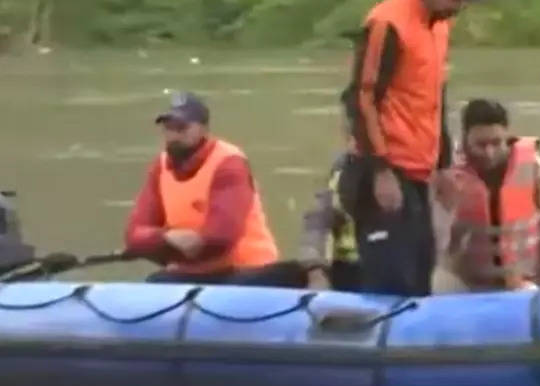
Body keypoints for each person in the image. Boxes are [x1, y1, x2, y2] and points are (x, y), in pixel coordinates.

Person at [337, 0, 481, 297]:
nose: (459, 5)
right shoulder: (387, 24)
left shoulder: (440, 28)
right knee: (391, 281)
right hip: (383, 172)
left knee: (419, 275)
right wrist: (381, 171)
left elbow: (434, 99)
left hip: (418, 174)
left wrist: (444, 164)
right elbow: (361, 98)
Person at [123, 91, 284, 285]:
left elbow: (220, 240)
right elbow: (134, 236)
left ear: (204, 129)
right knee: (156, 282)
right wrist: (167, 237)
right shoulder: (160, 166)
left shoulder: (229, 164)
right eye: (168, 128)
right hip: (195, 272)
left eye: (181, 127)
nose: (173, 135)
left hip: (247, 271)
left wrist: (166, 247)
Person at [431, 99, 540, 293]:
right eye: (481, 144)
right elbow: (437, 243)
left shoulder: (536, 168)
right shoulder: (449, 175)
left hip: (522, 282)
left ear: (507, 137)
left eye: (496, 143)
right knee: (438, 284)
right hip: (467, 282)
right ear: (465, 139)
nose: (489, 153)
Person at [297, 123, 363, 292]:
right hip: (347, 269)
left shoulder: (407, 173)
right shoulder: (340, 172)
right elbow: (314, 226)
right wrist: (315, 271)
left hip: (389, 272)